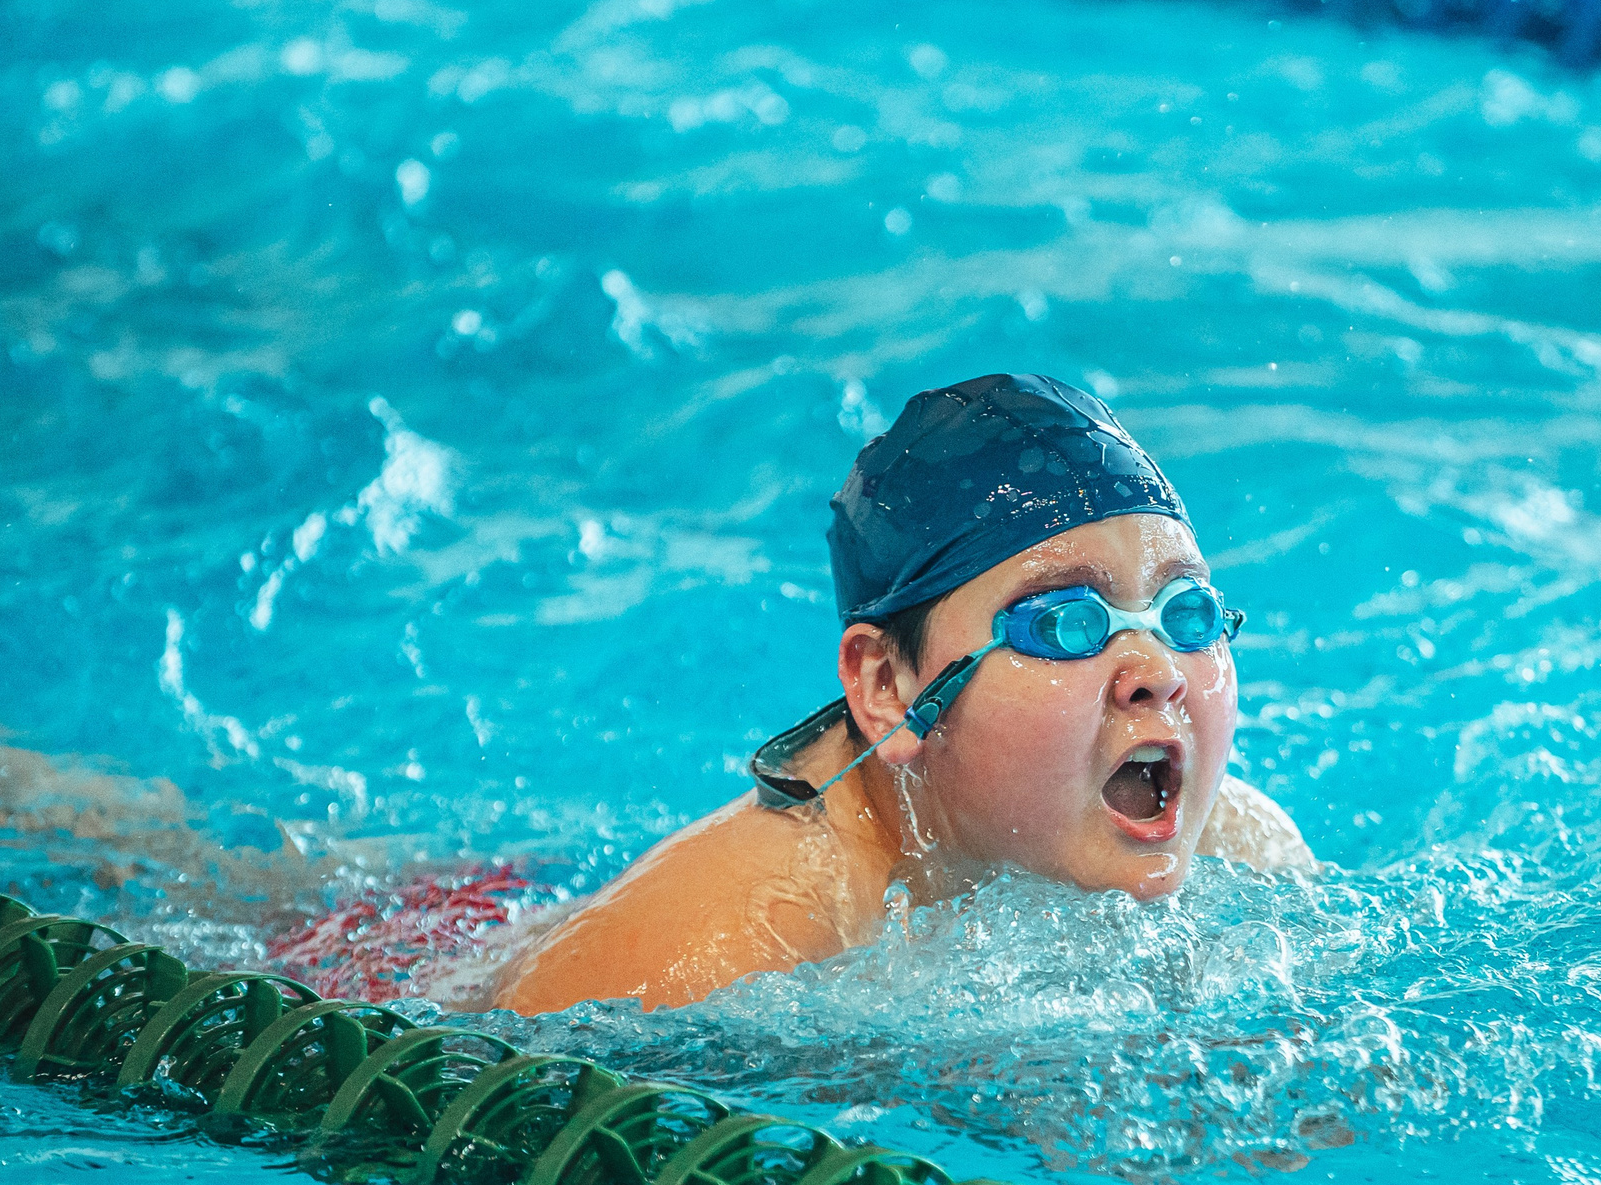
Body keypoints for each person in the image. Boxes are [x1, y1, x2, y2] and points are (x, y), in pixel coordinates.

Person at [497, 373, 1312, 1013]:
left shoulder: (1243, 850)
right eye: (1067, 622)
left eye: (1185, 612)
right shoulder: (731, 937)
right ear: (888, 686)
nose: (1158, 672)